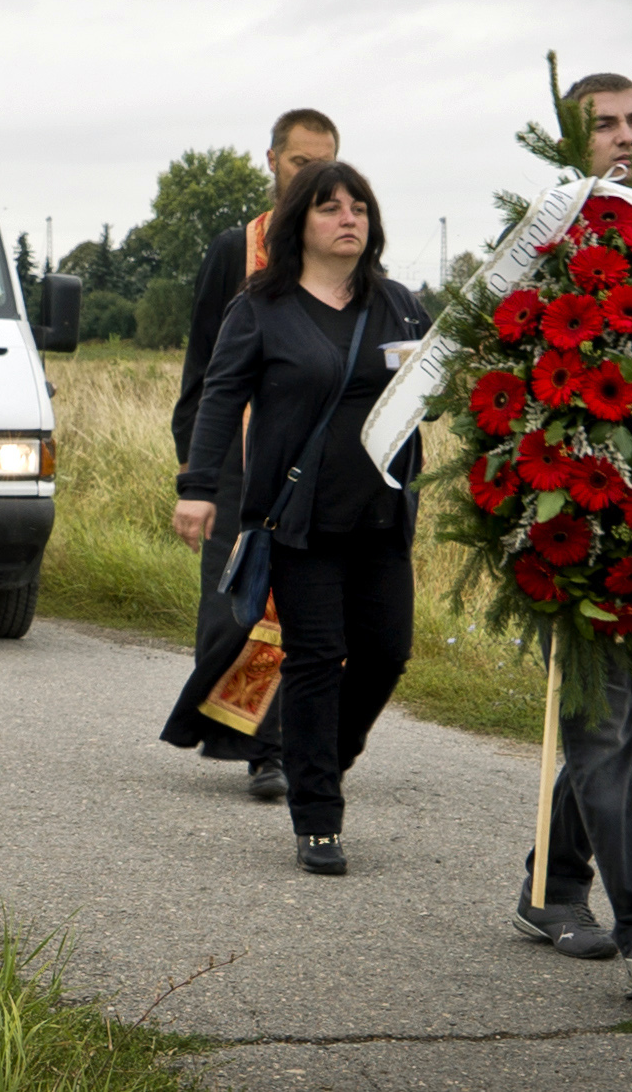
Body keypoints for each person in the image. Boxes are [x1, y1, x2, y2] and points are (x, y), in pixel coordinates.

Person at [507, 70, 632, 1002]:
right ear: (571, 140)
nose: (625, 138)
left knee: (618, 733)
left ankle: (550, 888)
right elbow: (501, 368)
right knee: (599, 734)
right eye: (604, 126)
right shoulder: (547, 242)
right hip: (573, 526)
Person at [173, 160, 429, 876]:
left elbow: (439, 386)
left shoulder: (401, 305)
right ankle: (317, 816)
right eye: (329, 208)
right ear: (299, 225)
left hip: (381, 515)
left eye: (359, 208)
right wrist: (198, 486)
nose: (348, 218)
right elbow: (220, 397)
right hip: (299, 519)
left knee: (385, 654)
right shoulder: (262, 307)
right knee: (316, 658)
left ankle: (324, 761)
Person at [161, 109, 341, 798]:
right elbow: (202, 365)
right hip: (238, 455)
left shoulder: (350, 251)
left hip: (322, 456)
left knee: (310, 605)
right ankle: (245, 734)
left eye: (325, 165)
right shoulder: (236, 249)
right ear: (271, 161)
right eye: (301, 164)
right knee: (238, 602)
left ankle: (279, 745)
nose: (312, 178)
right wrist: (194, 470)